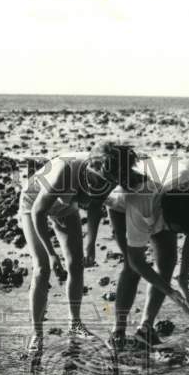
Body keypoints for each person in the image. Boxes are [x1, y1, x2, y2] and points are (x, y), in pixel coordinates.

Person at [18, 142, 137, 355]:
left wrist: (91, 243)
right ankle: (37, 333)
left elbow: (94, 207)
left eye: (107, 182)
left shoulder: (109, 175)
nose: (99, 185)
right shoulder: (65, 171)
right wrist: (52, 255)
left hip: (66, 206)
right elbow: (39, 212)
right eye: (95, 180)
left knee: (76, 265)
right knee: (42, 268)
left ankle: (75, 323)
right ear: (90, 168)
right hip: (33, 204)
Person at [106, 160, 189, 348]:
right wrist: (168, 290)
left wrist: (183, 277)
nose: (177, 234)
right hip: (123, 203)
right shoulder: (141, 201)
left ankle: (146, 328)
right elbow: (136, 261)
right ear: (164, 213)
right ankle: (118, 332)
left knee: (168, 260)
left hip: (164, 195)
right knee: (130, 269)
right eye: (175, 230)